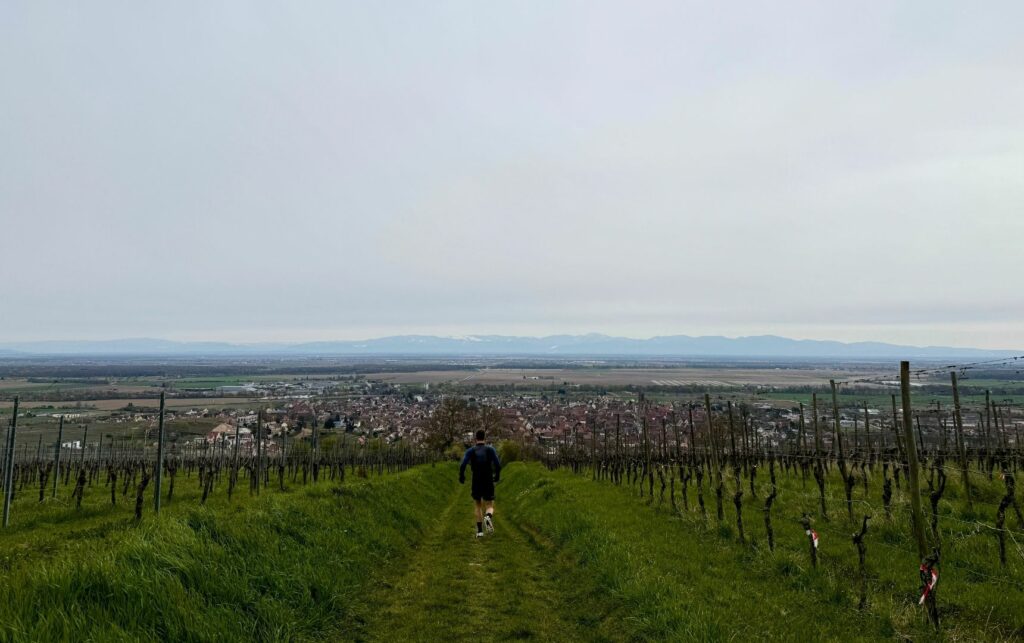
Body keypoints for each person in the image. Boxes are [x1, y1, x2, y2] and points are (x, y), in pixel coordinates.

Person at [459, 430, 501, 538]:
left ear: (475, 439)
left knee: (477, 505)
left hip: (476, 479)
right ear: (485, 438)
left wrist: (461, 476)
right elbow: (497, 464)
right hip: (488, 478)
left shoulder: (471, 451)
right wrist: (497, 476)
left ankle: (480, 532)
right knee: (489, 504)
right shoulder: (490, 450)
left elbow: (463, 464)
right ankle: (488, 516)